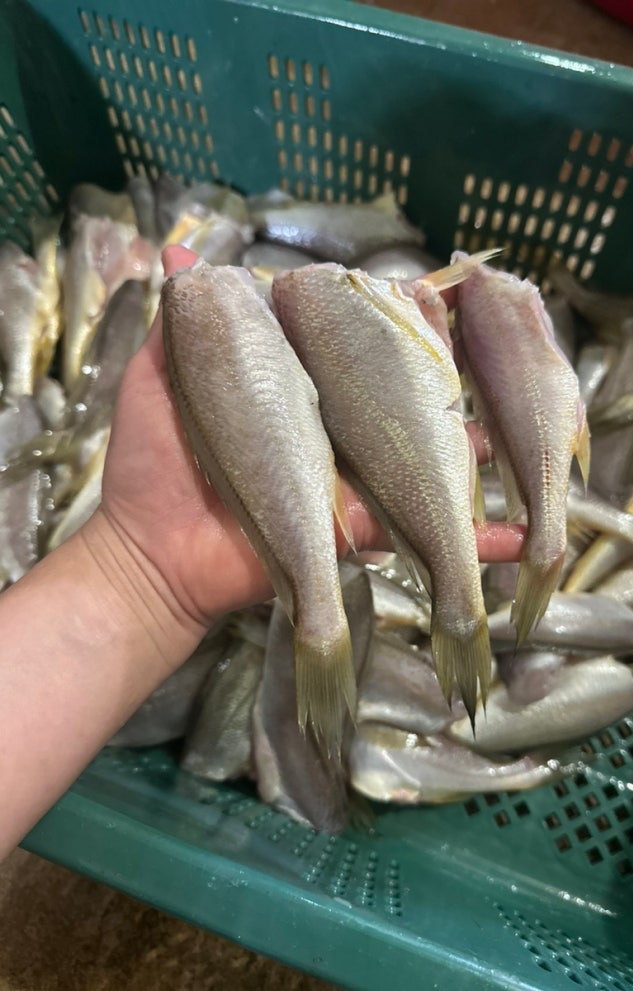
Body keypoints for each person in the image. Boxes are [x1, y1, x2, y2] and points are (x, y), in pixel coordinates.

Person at [0, 245, 525, 861]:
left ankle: (390, 634)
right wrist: (141, 568)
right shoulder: (233, 302)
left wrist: (138, 574)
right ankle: (402, 635)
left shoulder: (216, 301)